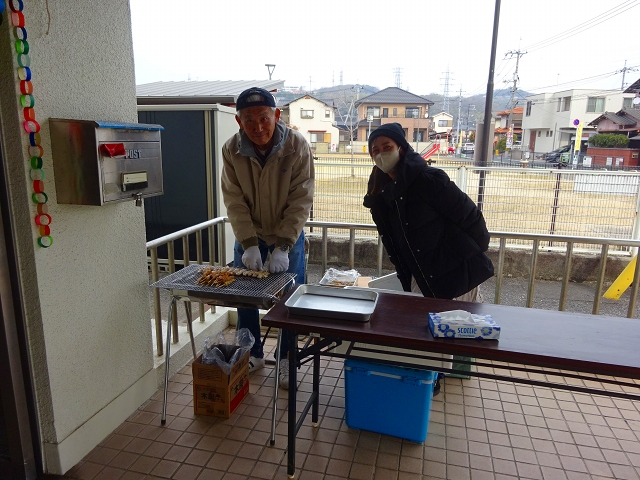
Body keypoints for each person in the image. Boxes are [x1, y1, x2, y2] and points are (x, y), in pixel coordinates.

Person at [363, 123, 494, 393]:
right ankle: (427, 379)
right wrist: (404, 274)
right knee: (426, 329)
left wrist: (464, 255)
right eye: (375, 151)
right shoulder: (380, 192)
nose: (381, 154)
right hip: (419, 274)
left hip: (454, 271)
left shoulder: (428, 179)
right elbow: (393, 241)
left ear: (401, 147)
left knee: (449, 330)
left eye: (387, 147)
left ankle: (433, 379)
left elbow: (472, 220)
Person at [221, 87, 314, 389]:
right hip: (250, 234)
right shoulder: (231, 149)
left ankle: (287, 359)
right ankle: (252, 353)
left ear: (276, 115)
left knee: (290, 300)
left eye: (264, 118)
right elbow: (234, 200)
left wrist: (284, 245)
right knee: (245, 298)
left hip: (287, 237)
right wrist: (248, 243)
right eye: (249, 120)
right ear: (239, 122)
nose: (257, 127)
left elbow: (301, 199)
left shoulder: (297, 145)